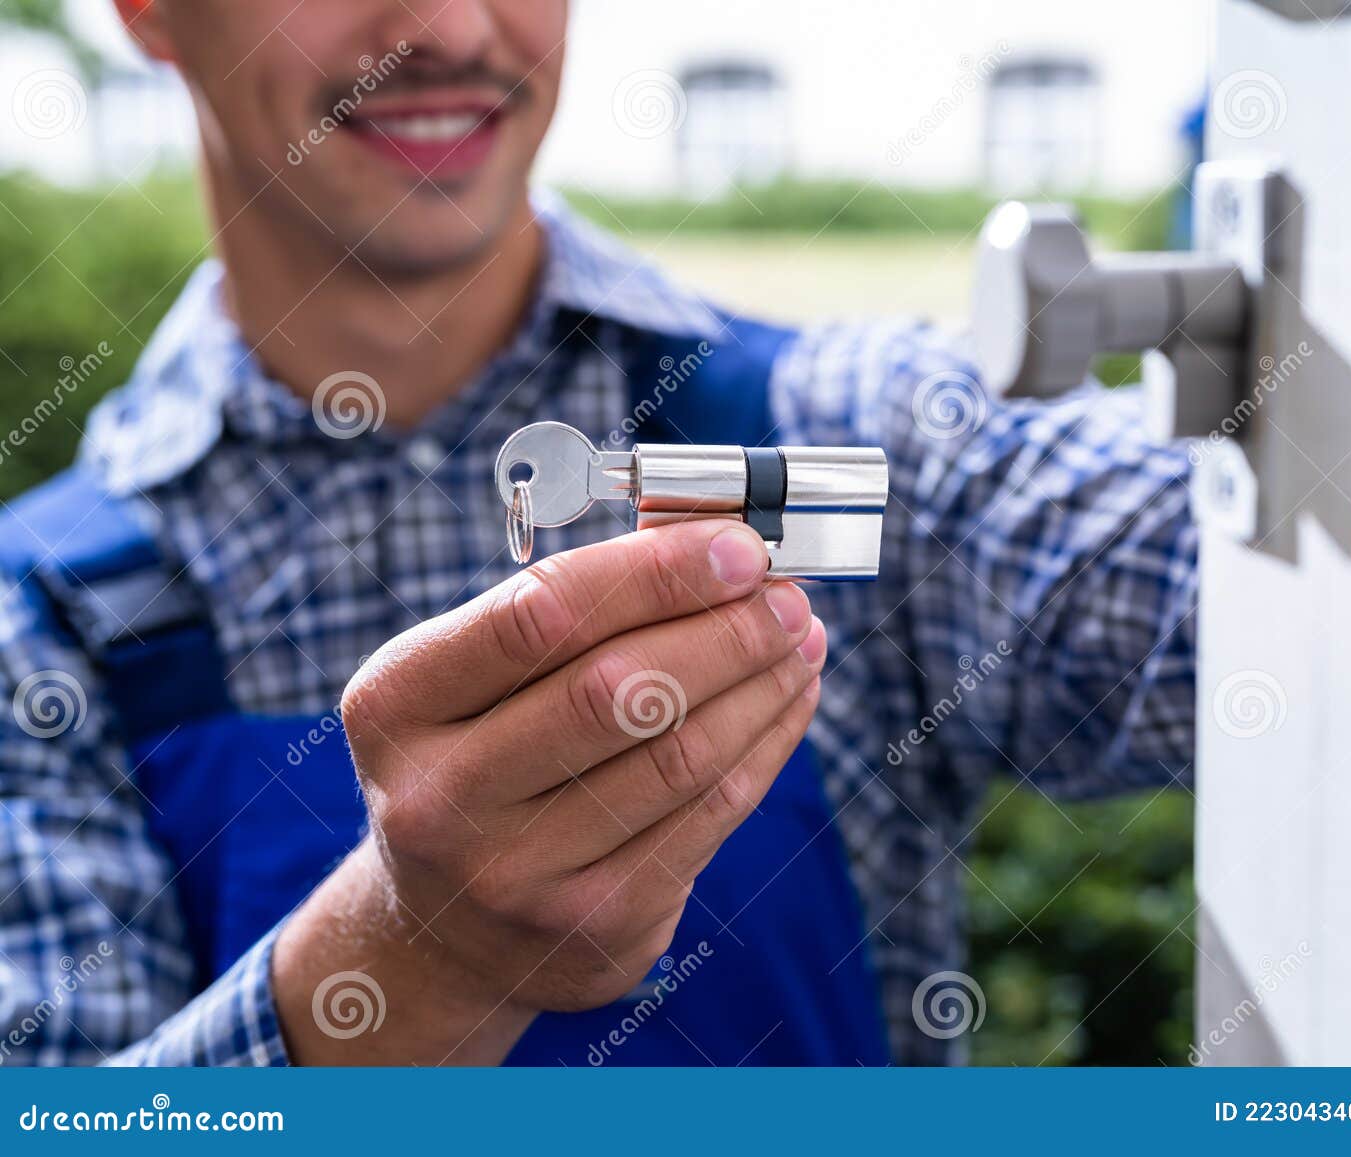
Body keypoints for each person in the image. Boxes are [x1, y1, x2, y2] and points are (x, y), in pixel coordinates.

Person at [0, 0, 1196, 1067]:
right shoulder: (38, 628)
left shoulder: (852, 434)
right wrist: (417, 955)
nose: (453, 30)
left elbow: (1271, 598)